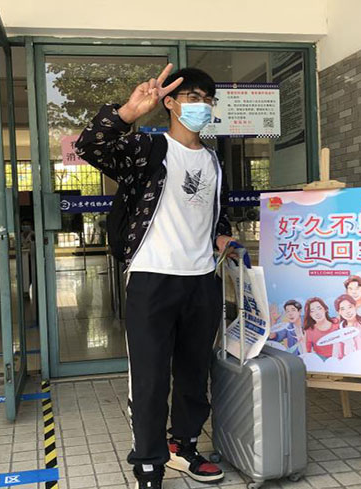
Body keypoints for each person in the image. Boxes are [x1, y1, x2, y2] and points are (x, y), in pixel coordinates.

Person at [75, 64, 232, 489]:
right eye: (193, 98)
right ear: (171, 103)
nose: (202, 107)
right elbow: (91, 146)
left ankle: (185, 446)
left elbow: (215, 213)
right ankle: (148, 462)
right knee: (149, 377)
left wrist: (222, 236)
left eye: (208, 100)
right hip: (152, 277)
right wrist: (128, 112)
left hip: (201, 279)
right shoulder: (148, 149)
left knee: (194, 373)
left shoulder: (213, 160)